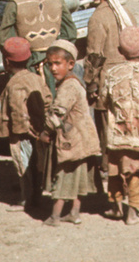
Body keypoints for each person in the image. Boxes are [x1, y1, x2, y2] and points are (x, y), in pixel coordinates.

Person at [98, 25, 139, 224]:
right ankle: (133, 213)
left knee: (116, 169)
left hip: (117, 132)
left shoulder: (111, 74)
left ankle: (116, 208)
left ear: (119, 51)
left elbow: (103, 100)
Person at [0, 0, 76, 87]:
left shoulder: (14, 3)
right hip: (55, 70)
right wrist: (56, 59)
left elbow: (5, 40)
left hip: (28, 71)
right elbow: (70, 33)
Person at [41, 40, 100, 226]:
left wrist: (45, 130)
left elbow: (58, 113)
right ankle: (74, 212)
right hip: (83, 138)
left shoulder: (68, 86)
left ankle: (55, 216)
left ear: (71, 64)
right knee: (79, 178)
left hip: (72, 141)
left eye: (58, 63)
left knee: (65, 177)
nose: (53, 68)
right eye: (50, 64)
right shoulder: (75, 83)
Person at [0, 36, 51, 213]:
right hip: (38, 129)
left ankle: (26, 199)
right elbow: (48, 99)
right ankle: (37, 195)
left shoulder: (14, 83)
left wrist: (22, 132)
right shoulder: (36, 78)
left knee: (23, 165)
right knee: (37, 164)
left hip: (23, 133)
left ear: (6, 61)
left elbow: (18, 111)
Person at [82, 0, 139, 106]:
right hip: (129, 81)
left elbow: (94, 56)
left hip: (108, 83)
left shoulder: (98, 17)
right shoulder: (127, 13)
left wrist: (90, 82)